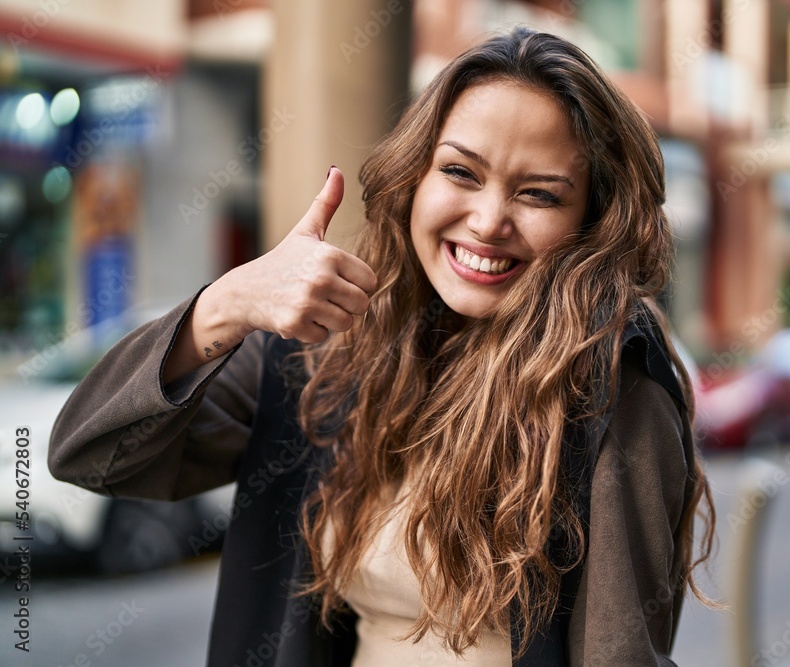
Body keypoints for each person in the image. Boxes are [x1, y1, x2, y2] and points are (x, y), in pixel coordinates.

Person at [49, 27, 716, 667]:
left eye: (539, 193)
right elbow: (89, 452)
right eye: (461, 172)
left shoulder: (612, 384)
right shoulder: (329, 352)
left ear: (590, 222)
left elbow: (620, 653)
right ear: (414, 178)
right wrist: (226, 305)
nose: (487, 221)